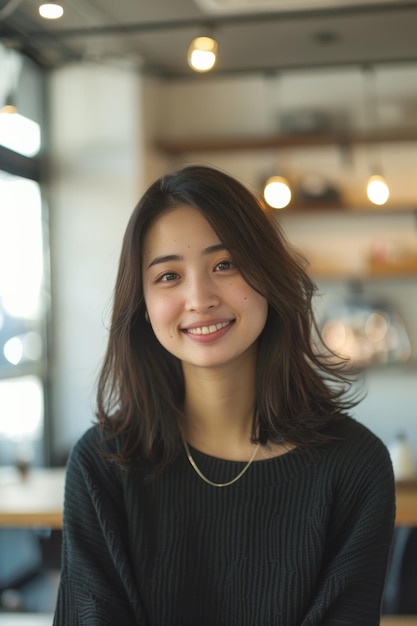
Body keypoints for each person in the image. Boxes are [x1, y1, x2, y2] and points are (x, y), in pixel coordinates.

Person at [53, 165, 395, 626]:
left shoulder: (355, 466)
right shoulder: (103, 467)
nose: (199, 298)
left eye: (224, 264)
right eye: (169, 276)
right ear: (143, 306)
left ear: (269, 276)